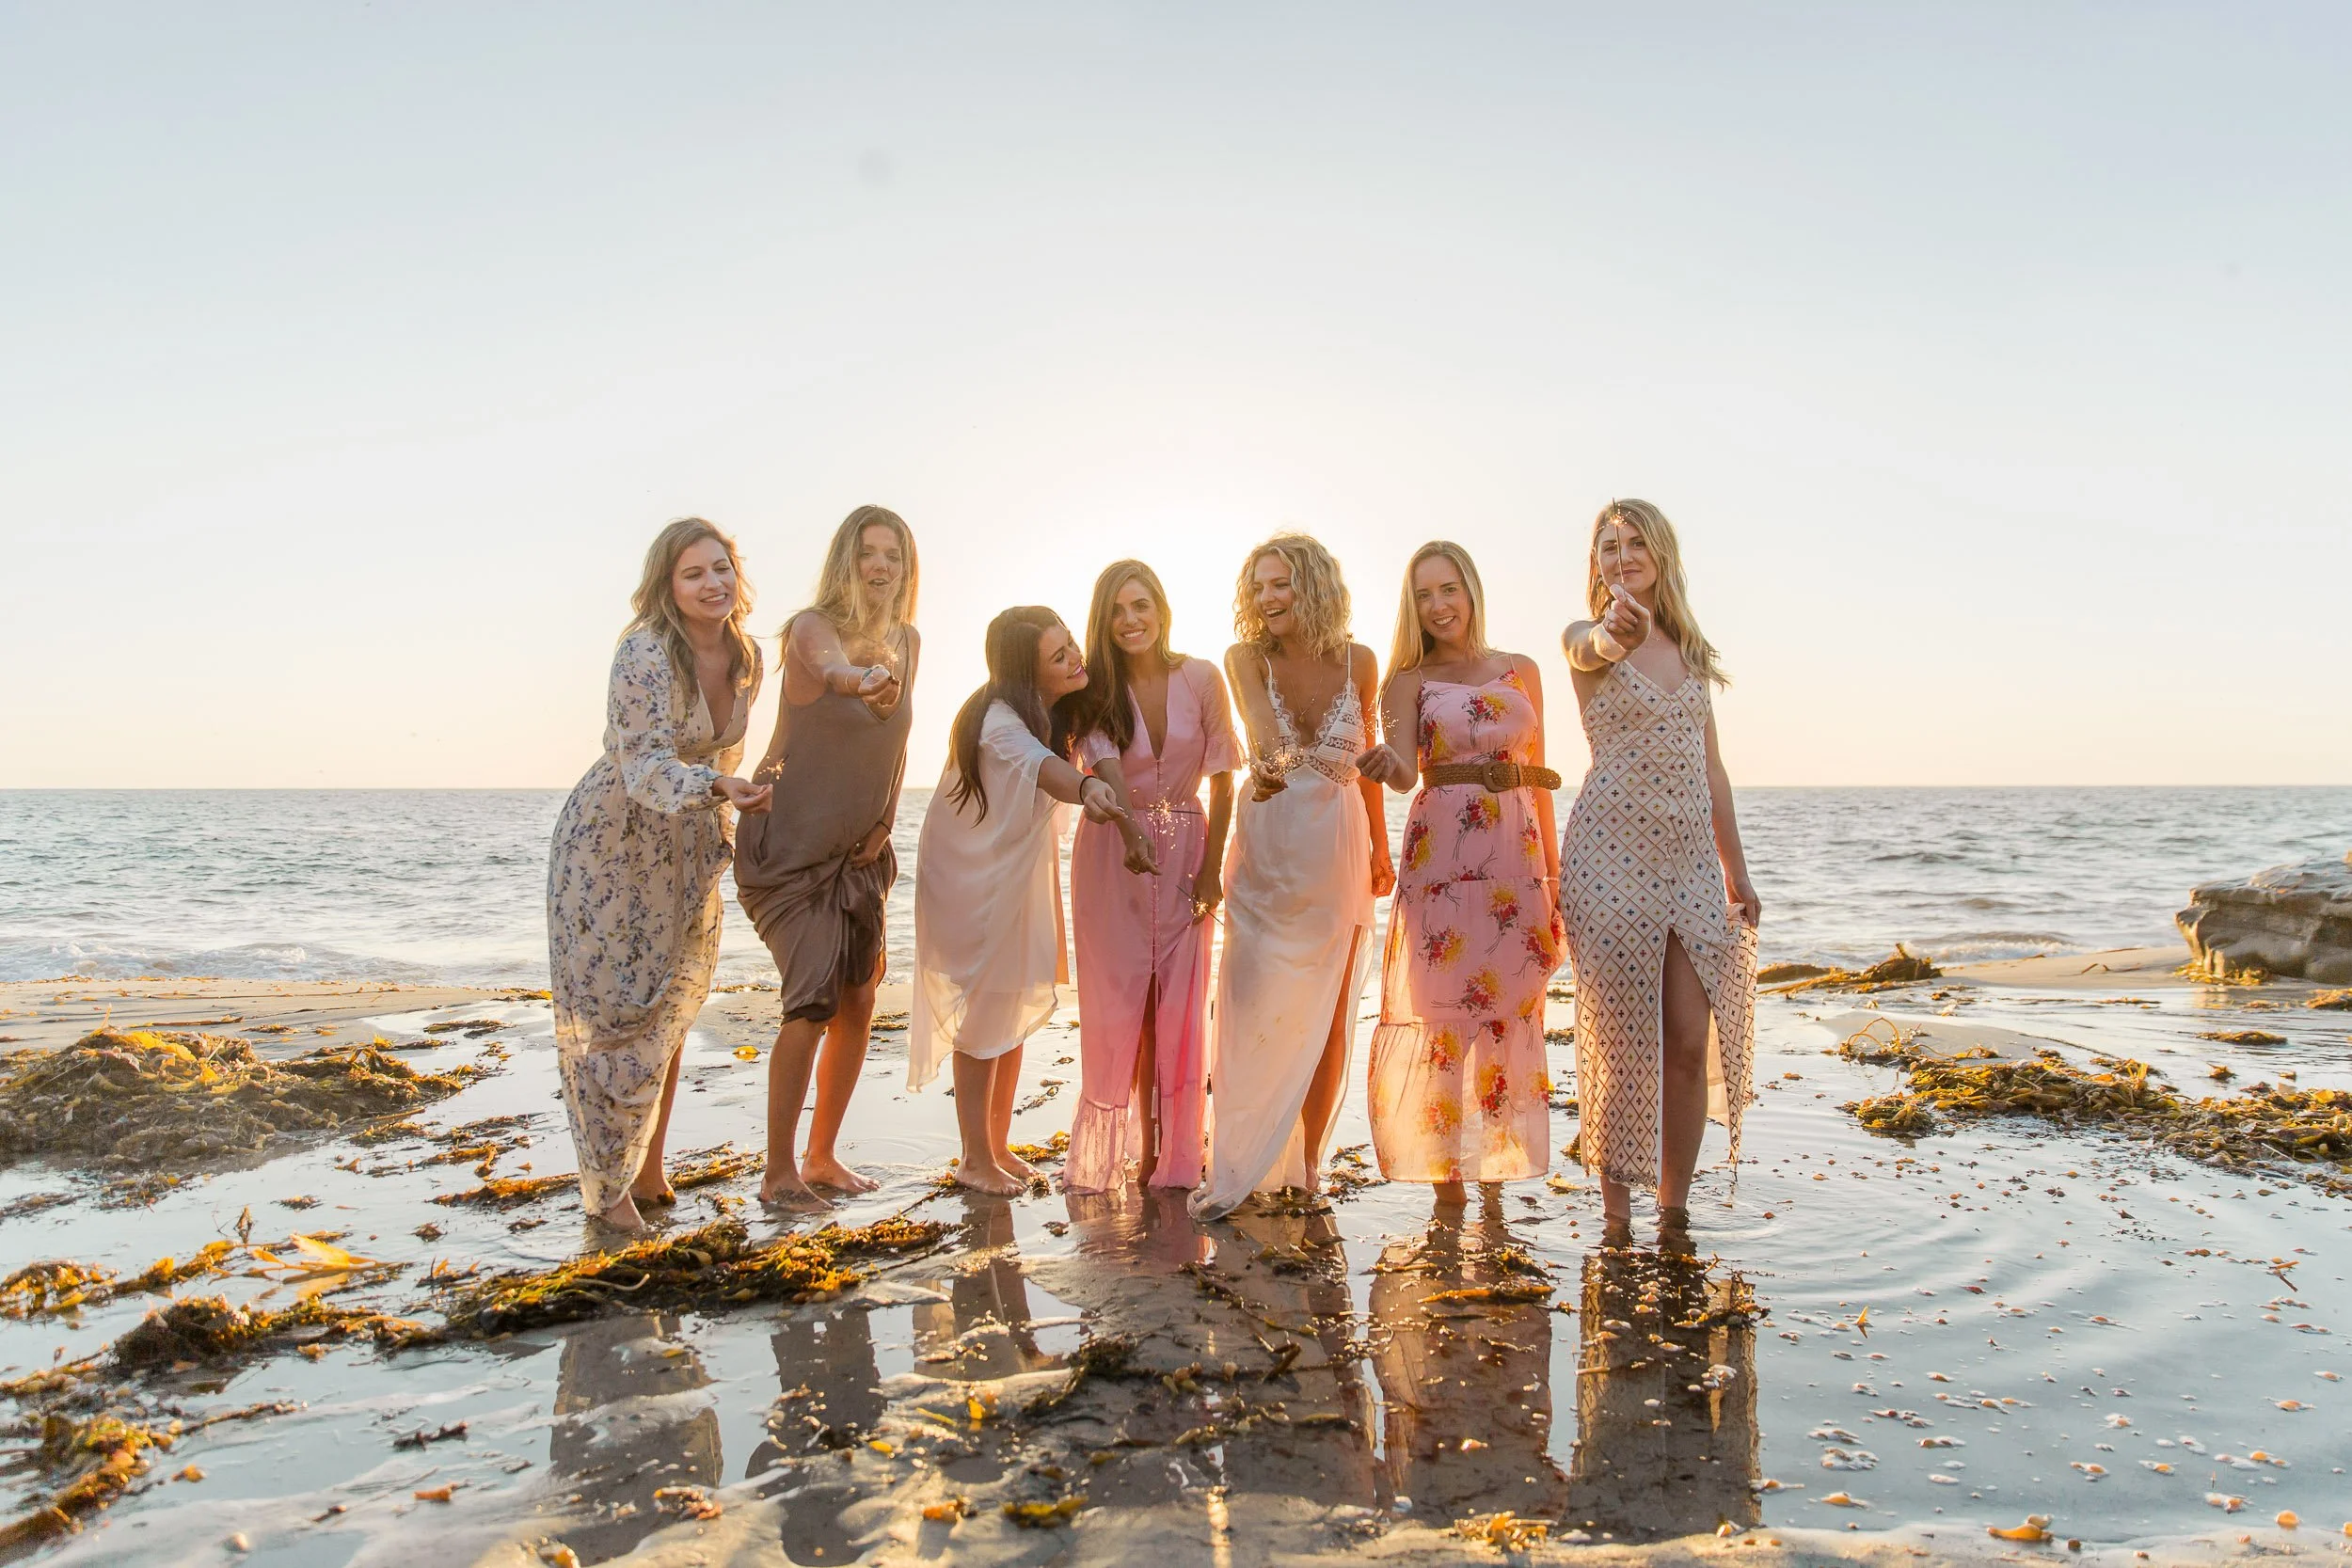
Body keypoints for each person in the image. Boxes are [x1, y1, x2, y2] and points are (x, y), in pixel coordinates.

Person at [547, 517, 770, 1232]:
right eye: (694, 573)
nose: (713, 584)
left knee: (671, 1006)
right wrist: (715, 789)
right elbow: (642, 765)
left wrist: (729, 814)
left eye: (721, 568)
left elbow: (725, 756)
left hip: (685, 848)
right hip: (608, 847)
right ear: (668, 587)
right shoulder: (643, 653)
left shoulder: (747, 656)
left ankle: (648, 1170)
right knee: (611, 1017)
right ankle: (609, 1194)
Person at [1556, 499, 1760, 1248]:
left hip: (1689, 865)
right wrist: (1613, 634)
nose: (1623, 555)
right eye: (1609, 546)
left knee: (1686, 1039)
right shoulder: (1587, 637)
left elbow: (1714, 771)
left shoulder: (1692, 650)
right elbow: (1588, 648)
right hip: (1608, 857)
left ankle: (1672, 1213)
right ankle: (1616, 1221)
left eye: (1636, 542)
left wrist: (1738, 872)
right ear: (1596, 566)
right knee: (1620, 1042)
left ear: (1662, 553)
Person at [1192, 533, 1394, 1220]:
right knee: (1250, 1001)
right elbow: (1257, 727)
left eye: (1280, 584)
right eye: (1258, 587)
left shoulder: (1360, 661)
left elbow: (1366, 760)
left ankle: (1308, 1164)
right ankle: (1241, 1156)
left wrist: (1382, 847)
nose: (1267, 598)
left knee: (1330, 1016)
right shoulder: (1245, 657)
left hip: (1338, 846)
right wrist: (1270, 758)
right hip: (1269, 847)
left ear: (1311, 586)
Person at [1357, 541, 1564, 1187]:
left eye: (1448, 589)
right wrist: (1388, 764)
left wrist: (1555, 881)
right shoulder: (1407, 680)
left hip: (1516, 856)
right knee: (1444, 1022)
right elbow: (1398, 767)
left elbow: (1539, 778)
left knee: (1509, 1015)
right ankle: (1446, 1187)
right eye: (1424, 595)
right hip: (1440, 862)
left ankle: (1498, 1183)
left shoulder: (1521, 668)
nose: (1438, 605)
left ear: (1471, 588)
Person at [734, 505, 919, 1207]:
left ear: (906, 568)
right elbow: (832, 669)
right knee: (809, 1001)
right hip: (787, 847)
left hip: (857, 851)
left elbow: (898, 743)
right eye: (867, 553)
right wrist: (857, 677)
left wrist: (888, 821)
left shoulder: (910, 639)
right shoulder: (812, 629)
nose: (880, 567)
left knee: (859, 997)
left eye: (892, 555)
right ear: (846, 560)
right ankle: (778, 1171)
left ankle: (822, 1155)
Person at [909, 607, 1127, 1195]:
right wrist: (1086, 787)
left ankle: (997, 1145)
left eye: (1071, 646)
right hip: (971, 883)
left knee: (1010, 1012)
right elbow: (1044, 769)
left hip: (1016, 874)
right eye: (1059, 658)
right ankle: (974, 1158)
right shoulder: (1000, 719)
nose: (1075, 659)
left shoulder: (1051, 712)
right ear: (1027, 675)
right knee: (984, 1013)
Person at [1064, 561, 1239, 1193]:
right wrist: (1132, 833)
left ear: (1162, 609)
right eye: (1117, 611)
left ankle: (1179, 1150)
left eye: (1141, 606)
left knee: (1182, 1005)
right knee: (1129, 1007)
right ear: (1103, 624)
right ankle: (1139, 1150)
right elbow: (1103, 768)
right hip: (1113, 852)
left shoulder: (1202, 676)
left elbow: (1224, 774)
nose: (1131, 620)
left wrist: (1213, 867)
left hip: (1190, 847)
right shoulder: (1093, 694)